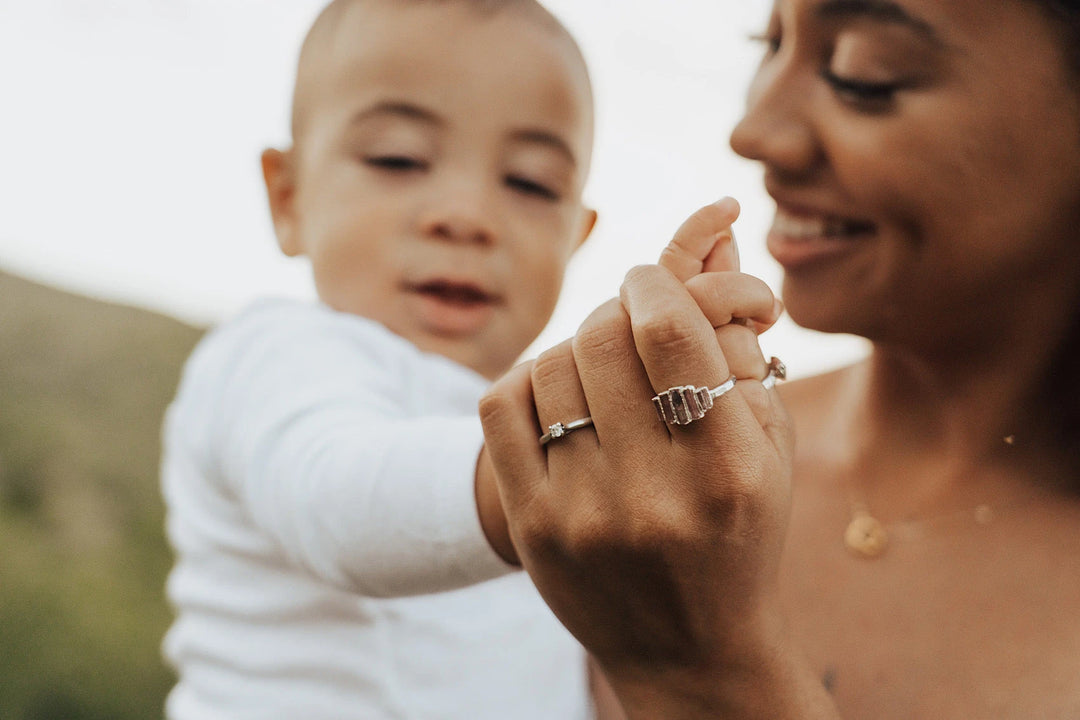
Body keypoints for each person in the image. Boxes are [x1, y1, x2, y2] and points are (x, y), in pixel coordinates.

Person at [480, 0, 1080, 717]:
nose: (755, 132)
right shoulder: (627, 477)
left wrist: (700, 674)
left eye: (864, 76)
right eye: (768, 44)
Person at [159, 0, 610, 717]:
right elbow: (339, 501)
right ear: (289, 197)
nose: (465, 216)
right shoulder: (276, 353)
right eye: (397, 158)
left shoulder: (527, 410)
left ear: (576, 237)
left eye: (529, 182)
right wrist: (559, 468)